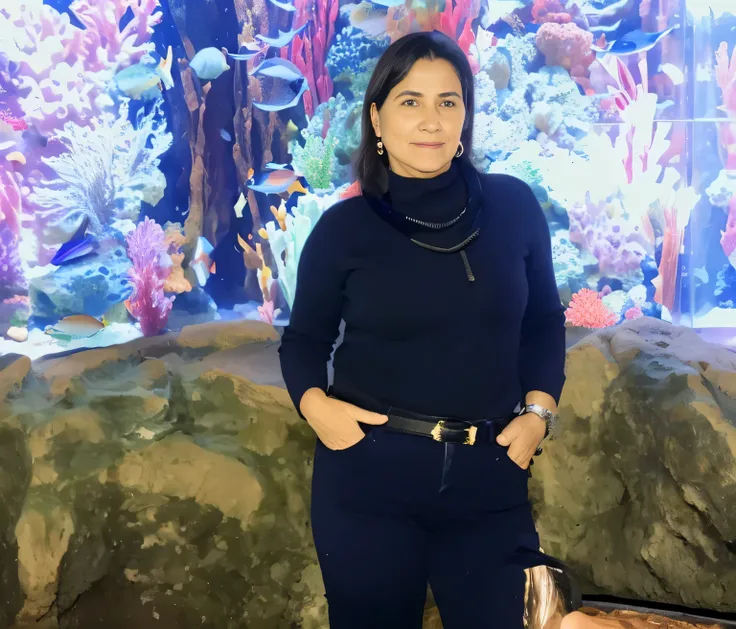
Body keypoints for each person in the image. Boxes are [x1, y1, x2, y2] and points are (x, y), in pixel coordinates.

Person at [278, 30, 566, 629]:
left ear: (466, 114)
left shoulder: (515, 207)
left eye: (448, 101)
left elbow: (542, 321)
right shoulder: (342, 229)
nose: (431, 119)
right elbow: (303, 342)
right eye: (410, 101)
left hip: (491, 480)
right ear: (376, 118)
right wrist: (317, 408)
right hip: (368, 482)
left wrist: (537, 415)